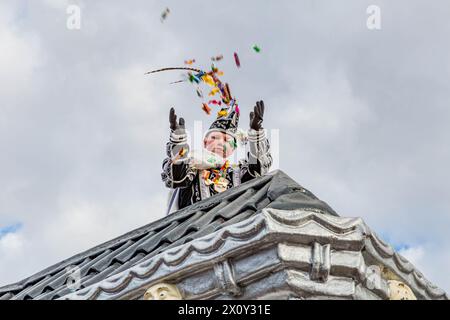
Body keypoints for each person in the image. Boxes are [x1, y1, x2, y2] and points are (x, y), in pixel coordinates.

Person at [161, 100, 272, 214]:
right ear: (205, 142)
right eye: (214, 138)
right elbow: (177, 178)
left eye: (226, 140)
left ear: (233, 149)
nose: (220, 143)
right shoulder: (193, 164)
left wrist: (256, 134)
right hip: (193, 227)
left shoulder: (237, 172)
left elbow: (257, 172)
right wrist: (178, 141)